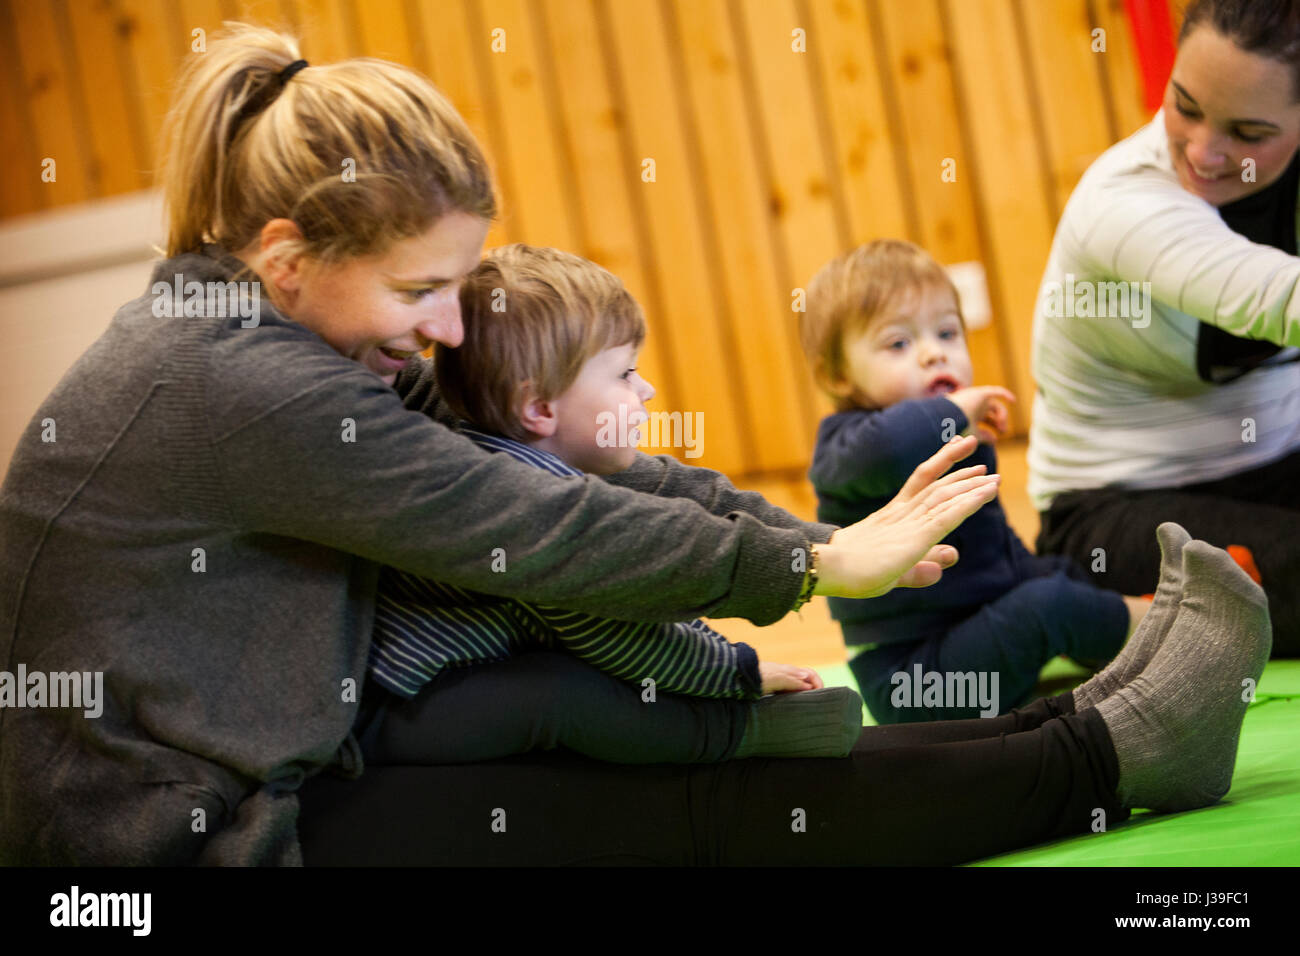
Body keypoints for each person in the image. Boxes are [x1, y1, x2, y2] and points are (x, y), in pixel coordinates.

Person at [0, 23, 1268, 868]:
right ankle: (1104, 755)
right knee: (692, 806)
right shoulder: (239, 378)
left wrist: (810, 538)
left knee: (717, 733)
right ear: (285, 256)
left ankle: (1083, 717)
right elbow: (537, 526)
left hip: (302, 750)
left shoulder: (289, 329)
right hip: (173, 845)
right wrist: (813, 577)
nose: (446, 327)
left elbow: (581, 473)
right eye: (417, 292)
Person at [363, 243, 863, 766]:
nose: (646, 389)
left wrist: (825, 544)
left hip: (448, 686)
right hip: (399, 714)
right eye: (625, 374)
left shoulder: (509, 458)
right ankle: (735, 734)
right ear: (537, 407)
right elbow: (626, 641)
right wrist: (736, 672)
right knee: (572, 694)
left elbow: (637, 590)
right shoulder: (524, 504)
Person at [1030, 0, 1300, 655]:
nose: (1205, 151)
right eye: (1185, 105)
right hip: (1112, 510)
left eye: (1249, 133)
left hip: (1277, 467)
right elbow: (1272, 297)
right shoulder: (1122, 202)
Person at [798, 239, 1149, 724]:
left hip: (968, 639)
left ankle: (1123, 645)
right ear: (837, 374)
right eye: (899, 343)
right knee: (1048, 605)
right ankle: (1160, 628)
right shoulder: (846, 445)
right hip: (913, 682)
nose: (933, 355)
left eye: (946, 333)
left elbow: (996, 551)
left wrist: (1056, 584)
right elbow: (890, 447)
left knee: (1058, 577)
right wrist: (955, 411)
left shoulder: (953, 432)